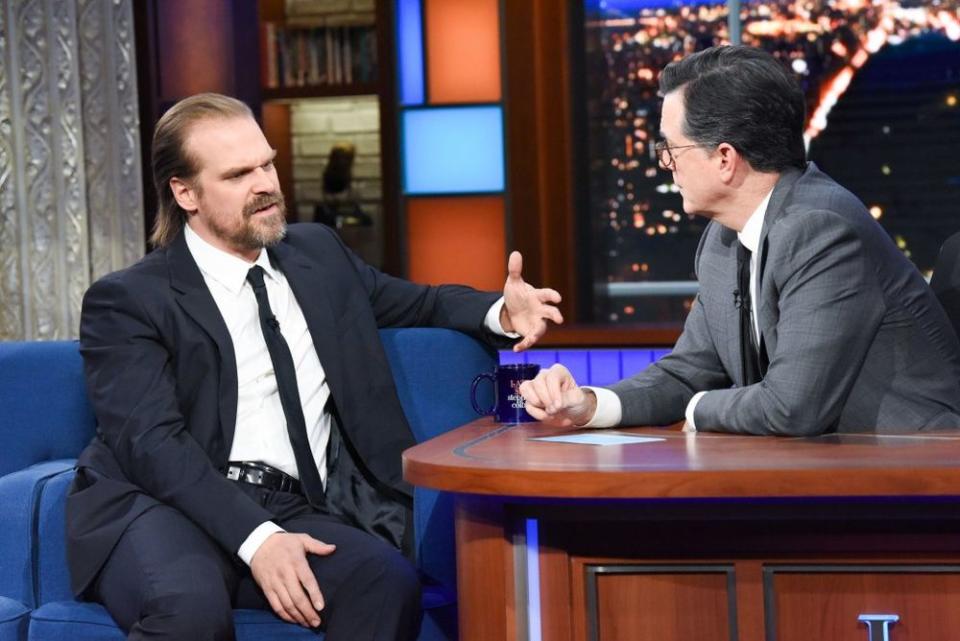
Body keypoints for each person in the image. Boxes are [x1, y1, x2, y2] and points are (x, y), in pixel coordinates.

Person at [67, 92, 563, 641]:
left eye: (267, 163)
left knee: (385, 581)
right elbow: (154, 446)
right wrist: (257, 540)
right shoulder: (129, 299)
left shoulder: (317, 255)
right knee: (190, 612)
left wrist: (501, 309)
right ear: (186, 193)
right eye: (238, 175)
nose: (266, 184)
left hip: (291, 502)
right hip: (162, 505)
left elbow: (419, 302)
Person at [521, 45, 960, 435]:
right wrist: (590, 405)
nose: (666, 166)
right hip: (821, 472)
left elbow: (790, 409)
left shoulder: (821, 229)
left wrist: (696, 409)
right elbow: (688, 371)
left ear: (726, 159)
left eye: (671, 150)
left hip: (915, 474)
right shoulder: (722, 239)